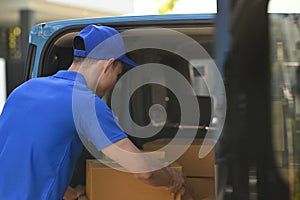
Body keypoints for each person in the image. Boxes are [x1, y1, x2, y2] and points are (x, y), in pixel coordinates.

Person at [0, 24, 185, 200]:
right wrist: (172, 178)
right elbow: (144, 171)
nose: (115, 81)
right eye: (118, 74)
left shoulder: (24, 90)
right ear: (107, 66)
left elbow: (29, 157)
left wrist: (69, 192)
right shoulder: (85, 102)